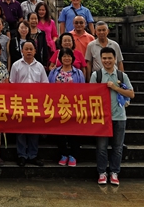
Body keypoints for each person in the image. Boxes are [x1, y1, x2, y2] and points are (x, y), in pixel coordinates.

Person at [91, 47, 134, 186]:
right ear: (100, 59)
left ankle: (114, 172)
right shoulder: (96, 75)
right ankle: (102, 172)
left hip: (119, 116)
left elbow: (131, 94)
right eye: (104, 58)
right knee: (101, 147)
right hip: (102, 117)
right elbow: (90, 95)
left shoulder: (122, 76)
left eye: (110, 58)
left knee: (118, 147)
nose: (107, 61)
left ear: (115, 59)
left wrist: (116, 88)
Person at [9, 40, 48, 166]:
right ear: (22, 51)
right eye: (26, 49)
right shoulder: (16, 65)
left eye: (31, 49)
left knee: (34, 129)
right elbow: (12, 84)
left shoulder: (40, 66)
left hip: (35, 103)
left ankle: (33, 155)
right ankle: (21, 155)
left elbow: (45, 85)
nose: (29, 51)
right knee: (20, 129)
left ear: (35, 51)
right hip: (20, 102)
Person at [48, 48, 85, 167]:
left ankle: (73, 155)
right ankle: (63, 154)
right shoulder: (54, 72)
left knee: (74, 130)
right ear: (60, 58)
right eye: (64, 56)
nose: (66, 58)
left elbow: (83, 90)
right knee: (59, 131)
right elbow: (48, 88)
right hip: (58, 105)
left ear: (72, 58)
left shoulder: (78, 73)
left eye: (69, 56)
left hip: (73, 106)